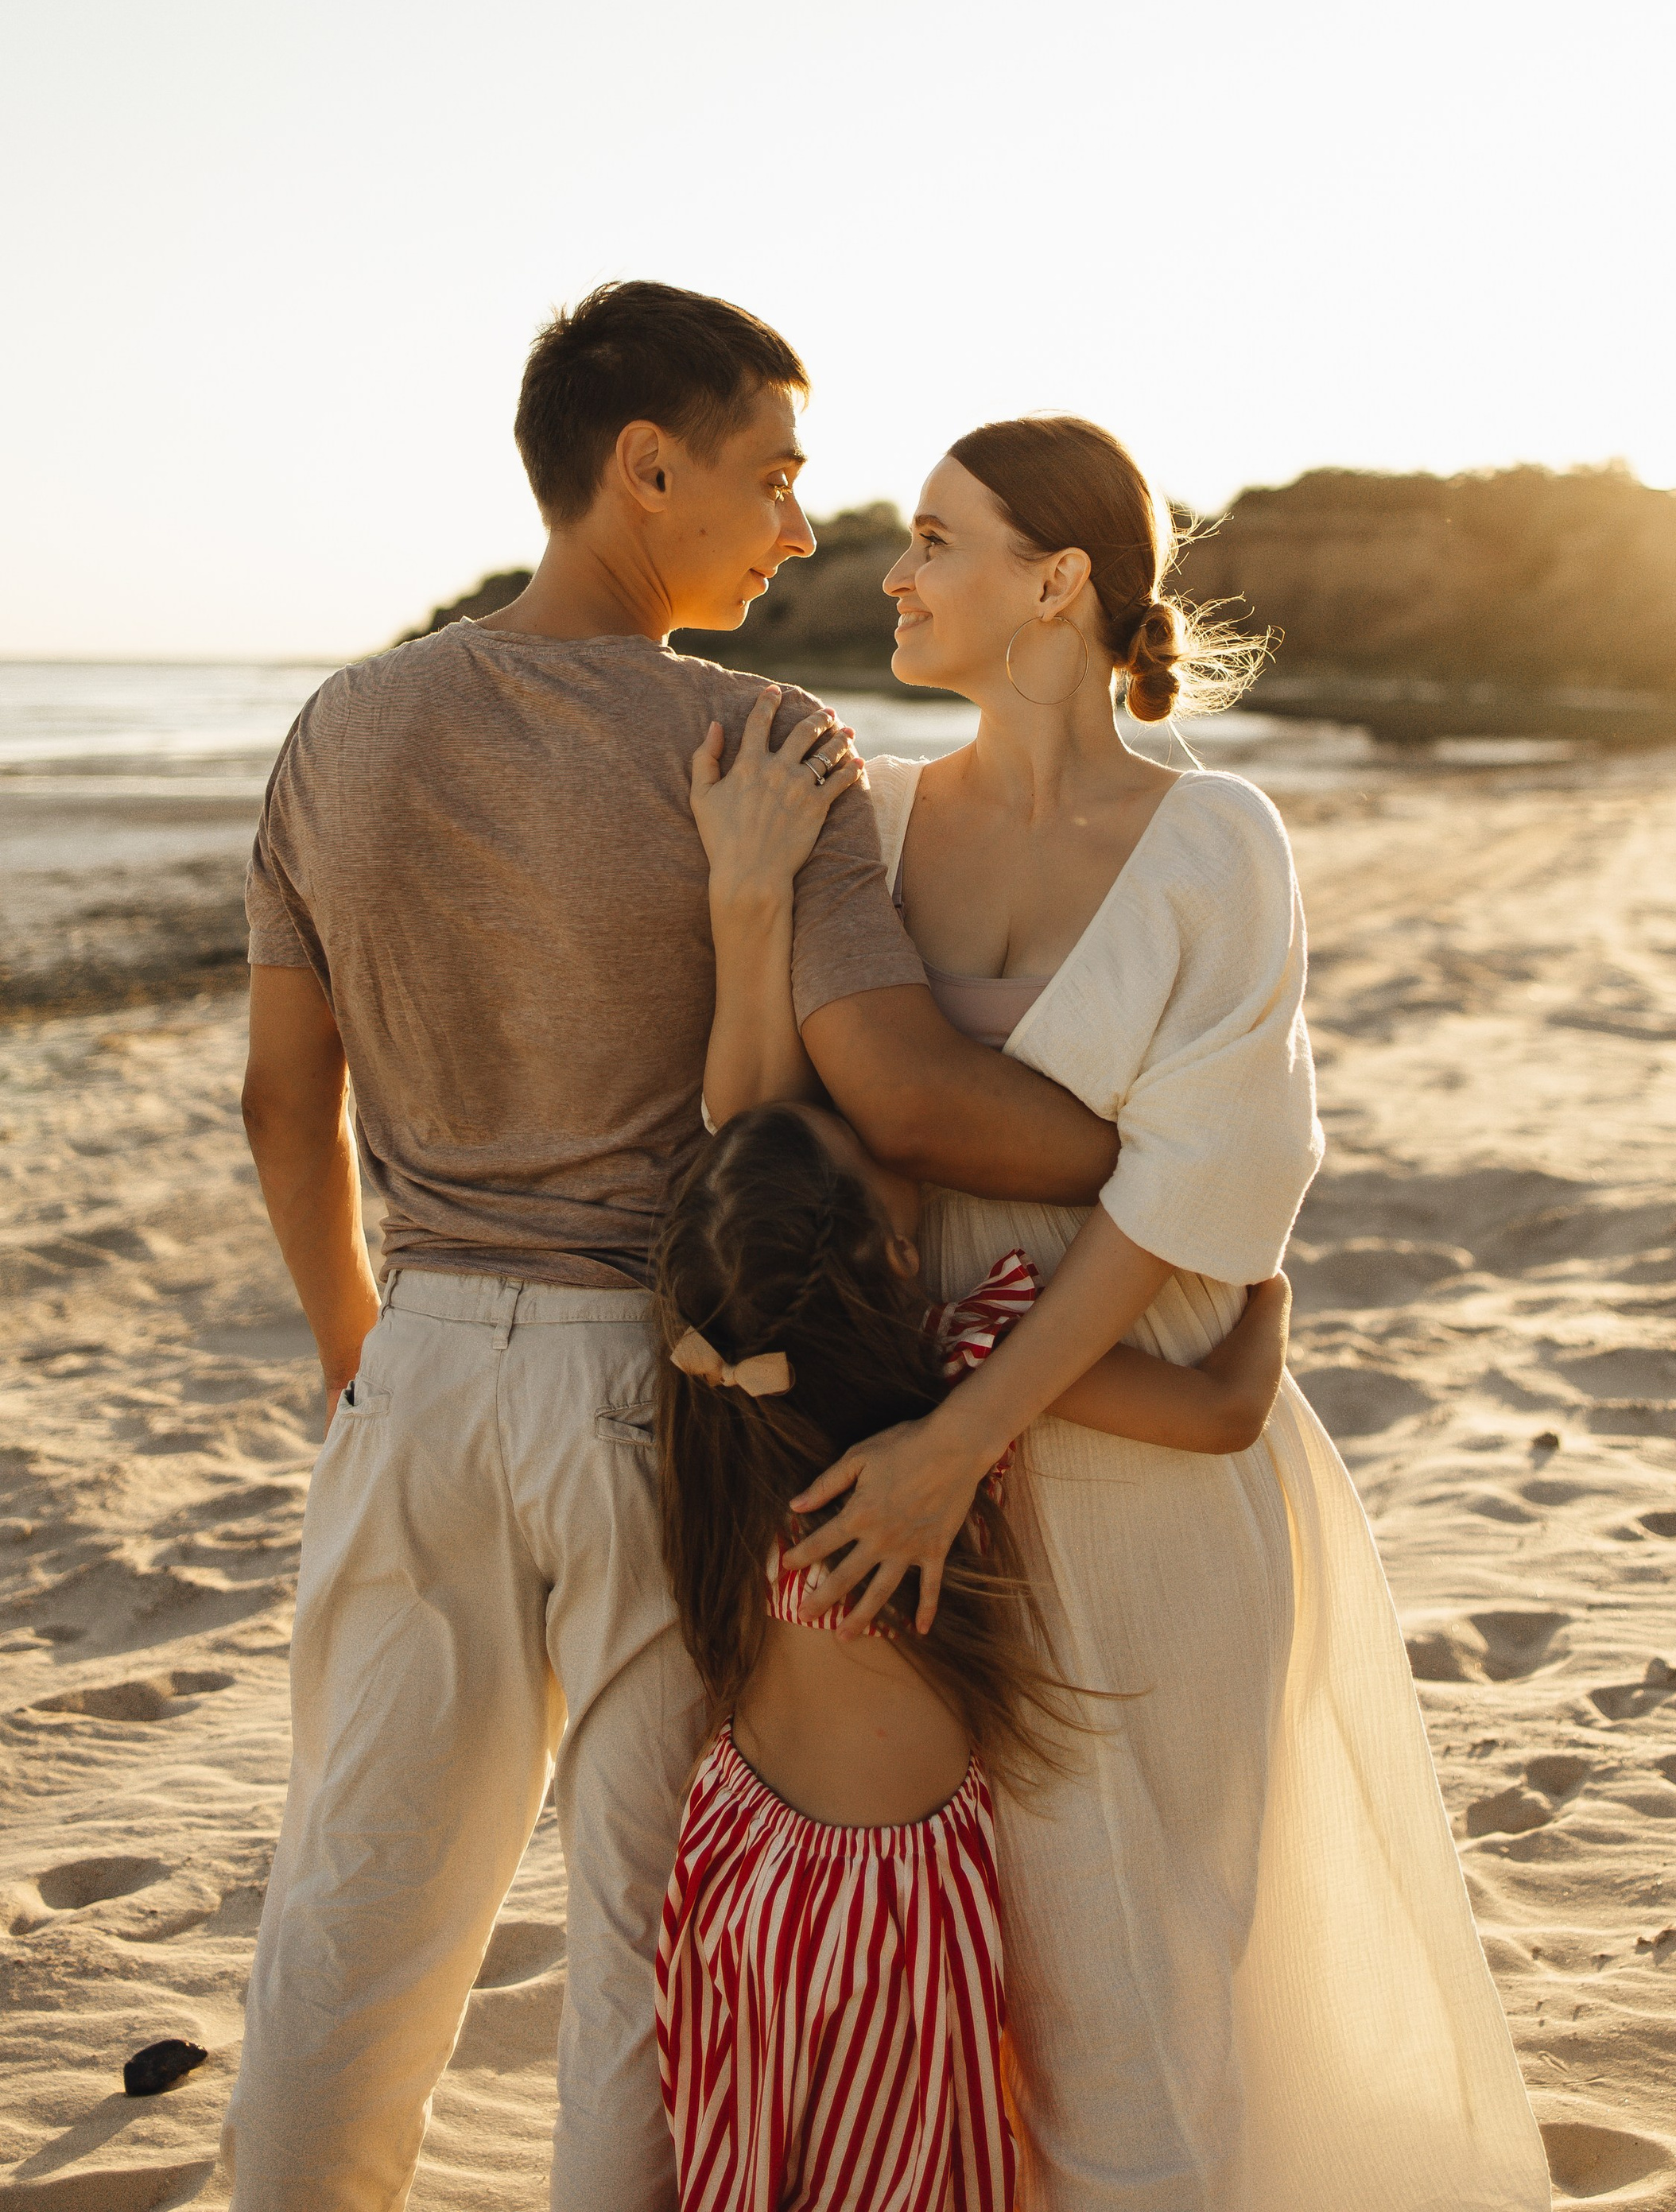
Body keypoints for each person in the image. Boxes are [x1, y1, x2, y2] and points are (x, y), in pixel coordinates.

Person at [223, 285, 1129, 2212]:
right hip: (658, 1393)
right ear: (645, 468)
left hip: (415, 1367)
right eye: (773, 477)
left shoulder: (341, 729)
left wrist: (357, 1344)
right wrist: (1174, 1159)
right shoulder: (762, 744)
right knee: (640, 1935)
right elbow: (891, 1088)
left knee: (356, 1903)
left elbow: (281, 1106)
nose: (799, 528)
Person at [699, 415, 1552, 2212]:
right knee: (976, 1996)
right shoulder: (869, 817)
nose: (892, 575)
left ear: (1058, 581)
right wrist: (748, 900)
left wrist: (964, 1435)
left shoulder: (1217, 837)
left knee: (1150, 1993)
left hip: (1125, 1455)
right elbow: (772, 1139)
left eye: (936, 540)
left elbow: (1202, 1193)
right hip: (907, 1457)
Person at [645, 1095, 1290, 2212]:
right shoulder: (958, 1383)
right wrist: (1268, 1291)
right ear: (898, 1254)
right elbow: (1227, 1409)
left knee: (756, 2165)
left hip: (737, 1854)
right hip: (883, 1903)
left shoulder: (716, 1410)